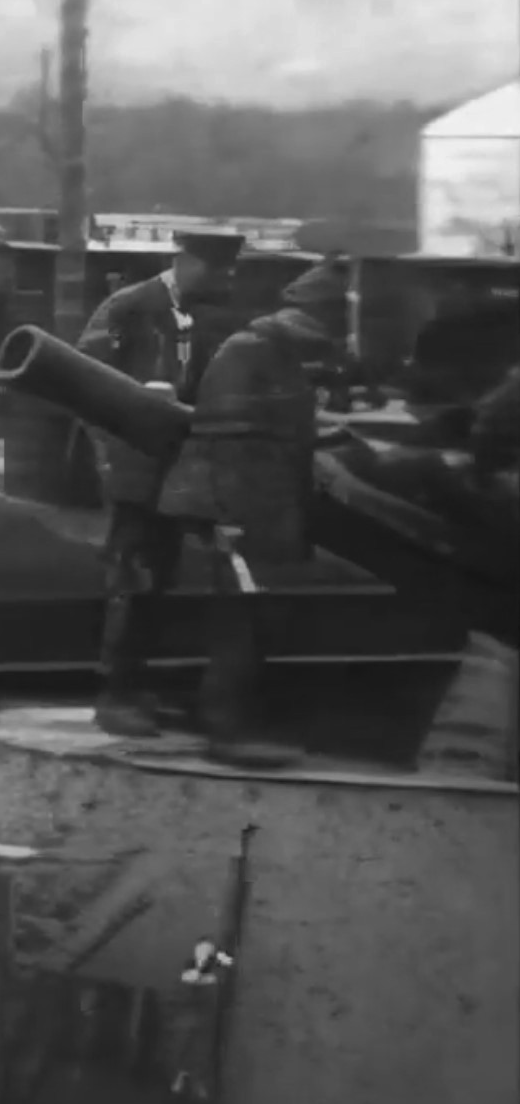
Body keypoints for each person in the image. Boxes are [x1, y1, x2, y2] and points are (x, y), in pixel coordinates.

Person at [157, 255, 354, 768]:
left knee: (245, 609)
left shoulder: (268, 345)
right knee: (243, 612)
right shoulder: (278, 347)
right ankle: (227, 730)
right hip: (238, 495)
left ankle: (223, 716)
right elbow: (246, 433)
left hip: (236, 492)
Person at [74, 228, 246, 734]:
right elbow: (86, 380)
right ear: (187, 259)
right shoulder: (130, 306)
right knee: (133, 576)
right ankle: (115, 694)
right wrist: (108, 454)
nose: (222, 280)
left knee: (161, 577)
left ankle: (137, 686)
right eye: (215, 269)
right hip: (134, 465)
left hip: (177, 467)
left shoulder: (206, 311)